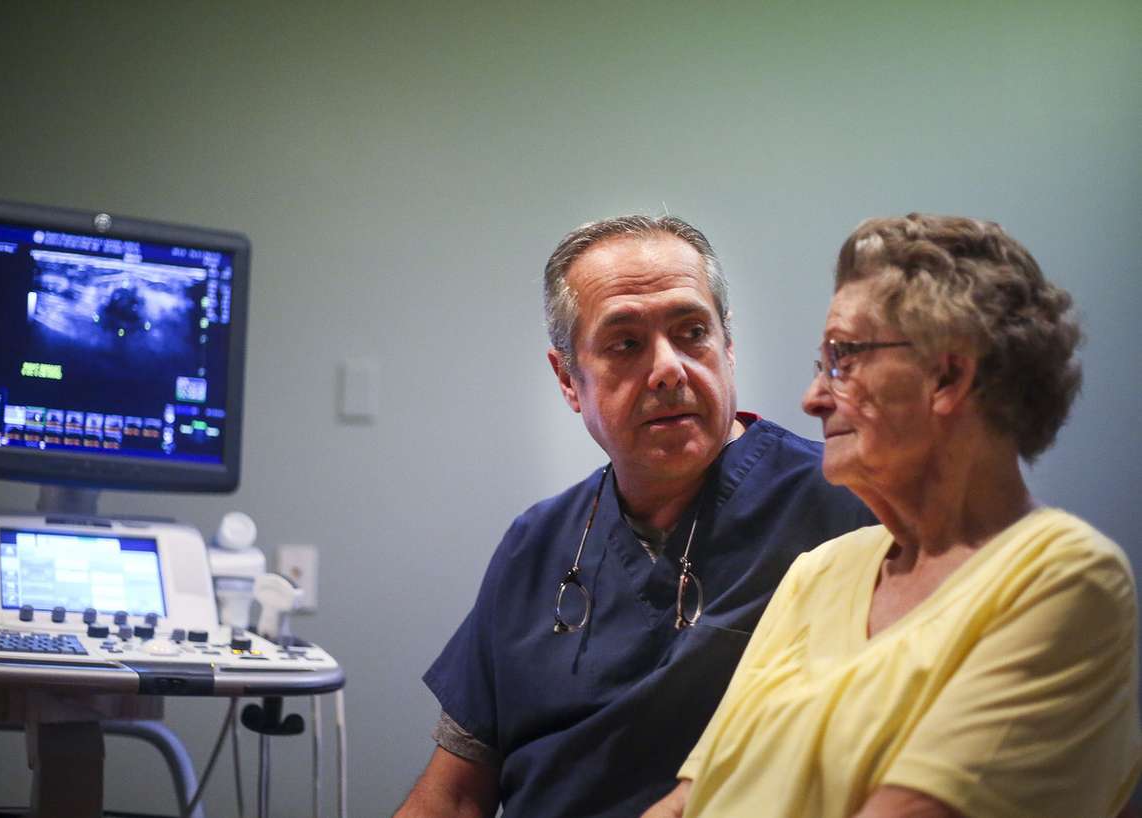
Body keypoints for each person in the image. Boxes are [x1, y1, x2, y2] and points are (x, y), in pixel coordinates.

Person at [646, 213, 1142, 818]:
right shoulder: (819, 571)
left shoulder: (1063, 576)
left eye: (843, 357)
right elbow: (688, 800)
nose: (813, 397)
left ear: (948, 376)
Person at [394, 215, 874, 818]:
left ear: (728, 345)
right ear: (569, 379)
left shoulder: (846, 506)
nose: (669, 368)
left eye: (692, 331)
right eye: (626, 344)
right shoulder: (533, 547)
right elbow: (457, 794)